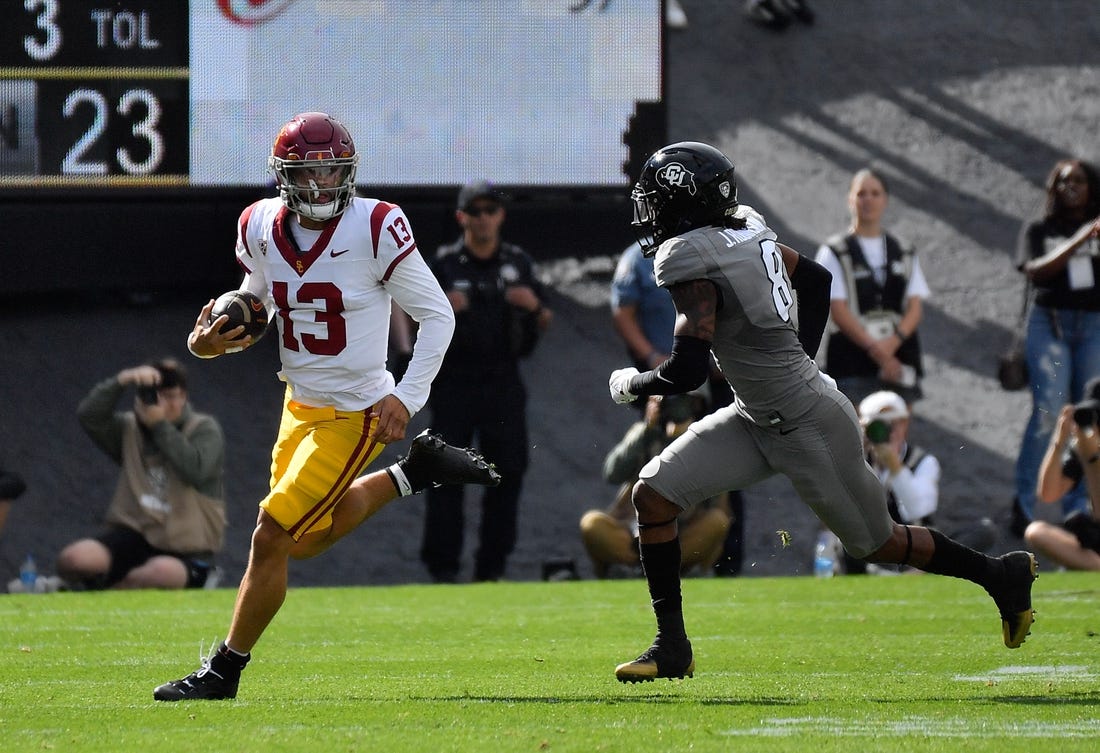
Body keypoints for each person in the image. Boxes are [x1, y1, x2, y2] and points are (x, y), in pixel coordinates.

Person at [606, 141, 1038, 683]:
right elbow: (816, 280)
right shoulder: (745, 226)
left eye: (656, 199)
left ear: (682, 201)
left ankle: (1001, 574)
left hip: (808, 422)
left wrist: (632, 382)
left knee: (877, 542)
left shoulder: (688, 257)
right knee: (653, 494)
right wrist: (796, 362)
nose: (650, 210)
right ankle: (672, 647)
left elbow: (686, 371)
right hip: (756, 414)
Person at [154, 112, 500, 702]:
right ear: (284, 177)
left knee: (270, 535)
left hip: (356, 411)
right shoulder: (260, 224)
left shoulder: (376, 225)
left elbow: (438, 315)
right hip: (300, 403)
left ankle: (222, 673)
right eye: (309, 173)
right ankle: (413, 474)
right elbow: (254, 301)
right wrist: (207, 341)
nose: (323, 185)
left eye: (333, 170)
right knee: (303, 540)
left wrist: (406, 397)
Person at [419, 180, 552, 583]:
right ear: (461, 217)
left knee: (506, 473)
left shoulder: (518, 263)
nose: (483, 219)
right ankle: (443, 570)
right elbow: (412, 320)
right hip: (454, 382)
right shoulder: (443, 265)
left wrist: (535, 307)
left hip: (502, 381)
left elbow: (544, 321)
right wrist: (445, 308)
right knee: (443, 474)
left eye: (490, 210)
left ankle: (491, 569)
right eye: (474, 211)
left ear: (501, 216)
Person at [611, 241, 744, 574]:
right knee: (652, 463)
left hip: (711, 380)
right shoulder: (637, 259)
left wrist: (722, 355)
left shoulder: (713, 247)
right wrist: (652, 360)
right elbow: (623, 312)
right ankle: (648, 554)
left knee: (725, 470)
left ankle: (724, 562)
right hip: (663, 378)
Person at [54, 359, 226, 590]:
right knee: (75, 559)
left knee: (160, 573)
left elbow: (196, 470)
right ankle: (100, 585)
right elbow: (89, 415)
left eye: (171, 397)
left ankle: (102, 590)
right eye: (157, 397)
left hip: (186, 546)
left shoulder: (204, 429)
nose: (163, 405)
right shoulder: (129, 428)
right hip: (136, 537)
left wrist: (159, 426)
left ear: (183, 396)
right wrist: (123, 380)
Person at [1011, 158, 1100, 534]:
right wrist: (1081, 238)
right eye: (1063, 182)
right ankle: (1026, 505)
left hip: (1094, 323)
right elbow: (1035, 270)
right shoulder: (1040, 228)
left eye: (1079, 181)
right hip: (1051, 323)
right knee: (1049, 410)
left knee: (1090, 415)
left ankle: (1081, 508)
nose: (1071, 187)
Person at [580, 392, 729, 578]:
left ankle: (672, 568)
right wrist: (646, 429)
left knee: (717, 522)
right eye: (671, 401)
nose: (677, 407)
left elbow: (718, 498)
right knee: (592, 523)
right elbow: (612, 473)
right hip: (634, 531)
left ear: (697, 404)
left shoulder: (707, 441)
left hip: (682, 529)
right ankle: (635, 568)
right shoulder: (645, 434)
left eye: (683, 401)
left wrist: (687, 439)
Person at [814, 168, 929, 406]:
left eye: (875, 193)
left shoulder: (904, 250)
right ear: (850, 199)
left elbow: (915, 308)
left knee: (895, 438)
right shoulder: (833, 251)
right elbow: (838, 309)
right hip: (852, 362)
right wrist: (878, 352)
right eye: (861, 193)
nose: (868, 200)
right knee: (857, 437)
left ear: (885, 200)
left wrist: (891, 346)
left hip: (899, 360)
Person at [844, 390, 939, 575]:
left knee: (979, 533)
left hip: (914, 546)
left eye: (894, 424)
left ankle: (911, 574)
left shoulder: (923, 461)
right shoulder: (856, 462)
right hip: (873, 549)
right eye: (879, 427)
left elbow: (918, 510)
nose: (890, 433)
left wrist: (894, 466)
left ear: (905, 424)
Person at [1024, 377, 1100, 570]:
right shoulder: (1086, 445)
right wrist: (1059, 443)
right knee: (1036, 531)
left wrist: (1092, 460)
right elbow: (1049, 493)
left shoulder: (1090, 451)